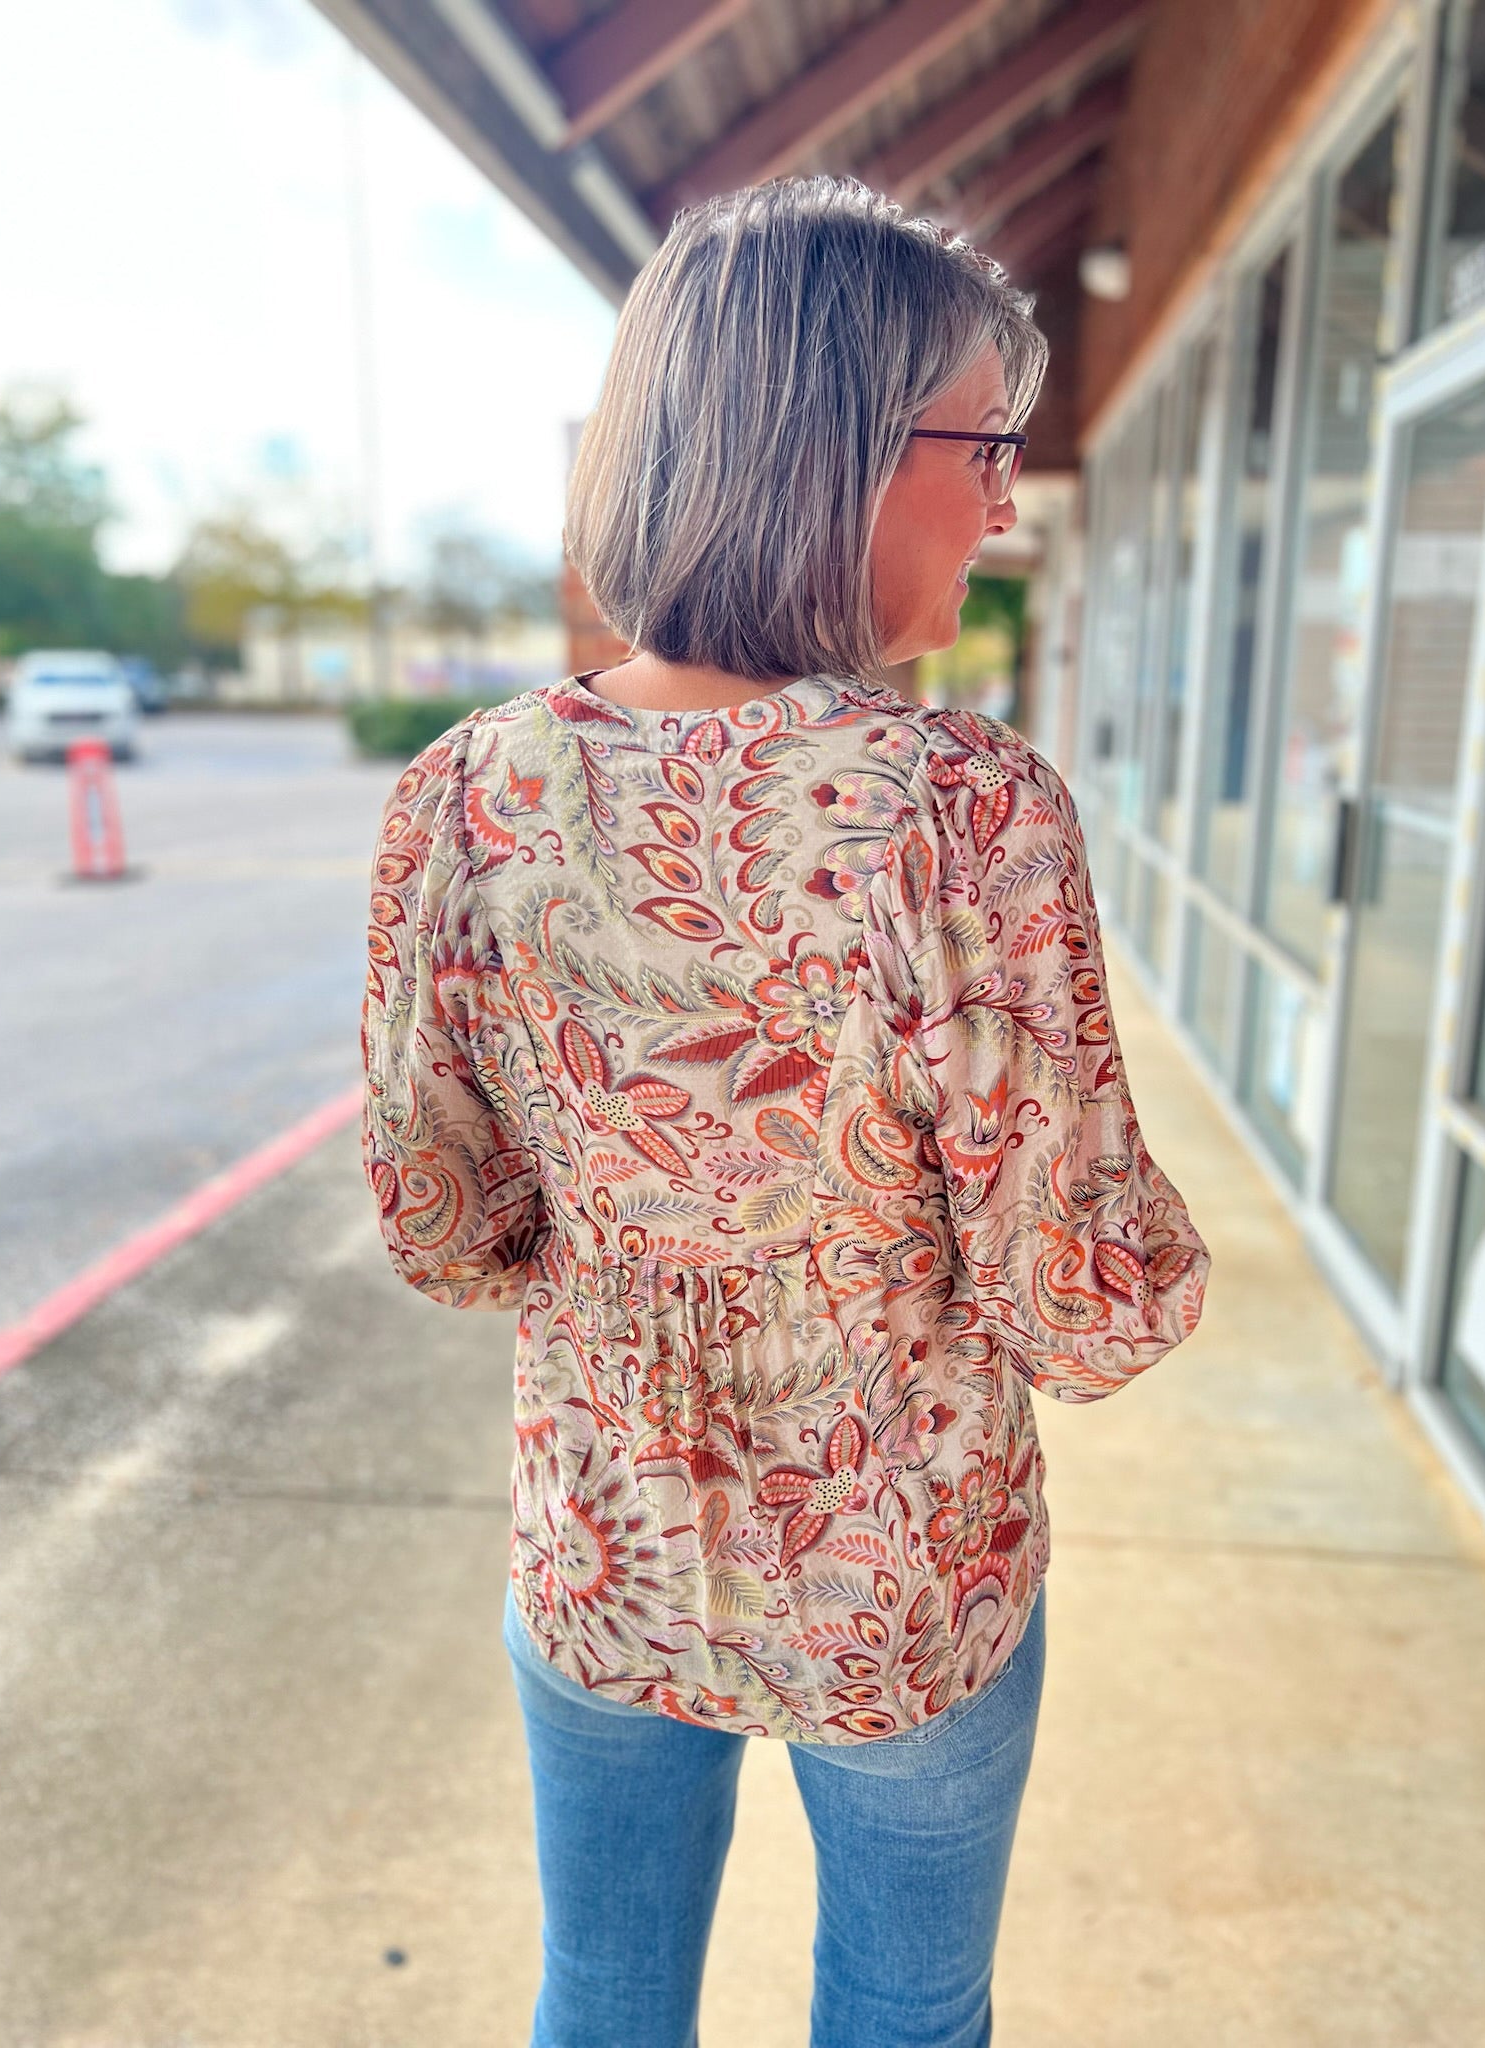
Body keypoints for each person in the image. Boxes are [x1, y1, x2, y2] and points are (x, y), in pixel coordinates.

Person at [360, 173, 1211, 2048]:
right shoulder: (958, 810)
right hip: (906, 1570)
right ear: (832, 446)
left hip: (605, 1532)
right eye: (986, 445)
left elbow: (439, 1226)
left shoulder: (465, 795)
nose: (1008, 500)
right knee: (907, 2013)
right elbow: (1082, 1300)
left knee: (601, 1994)